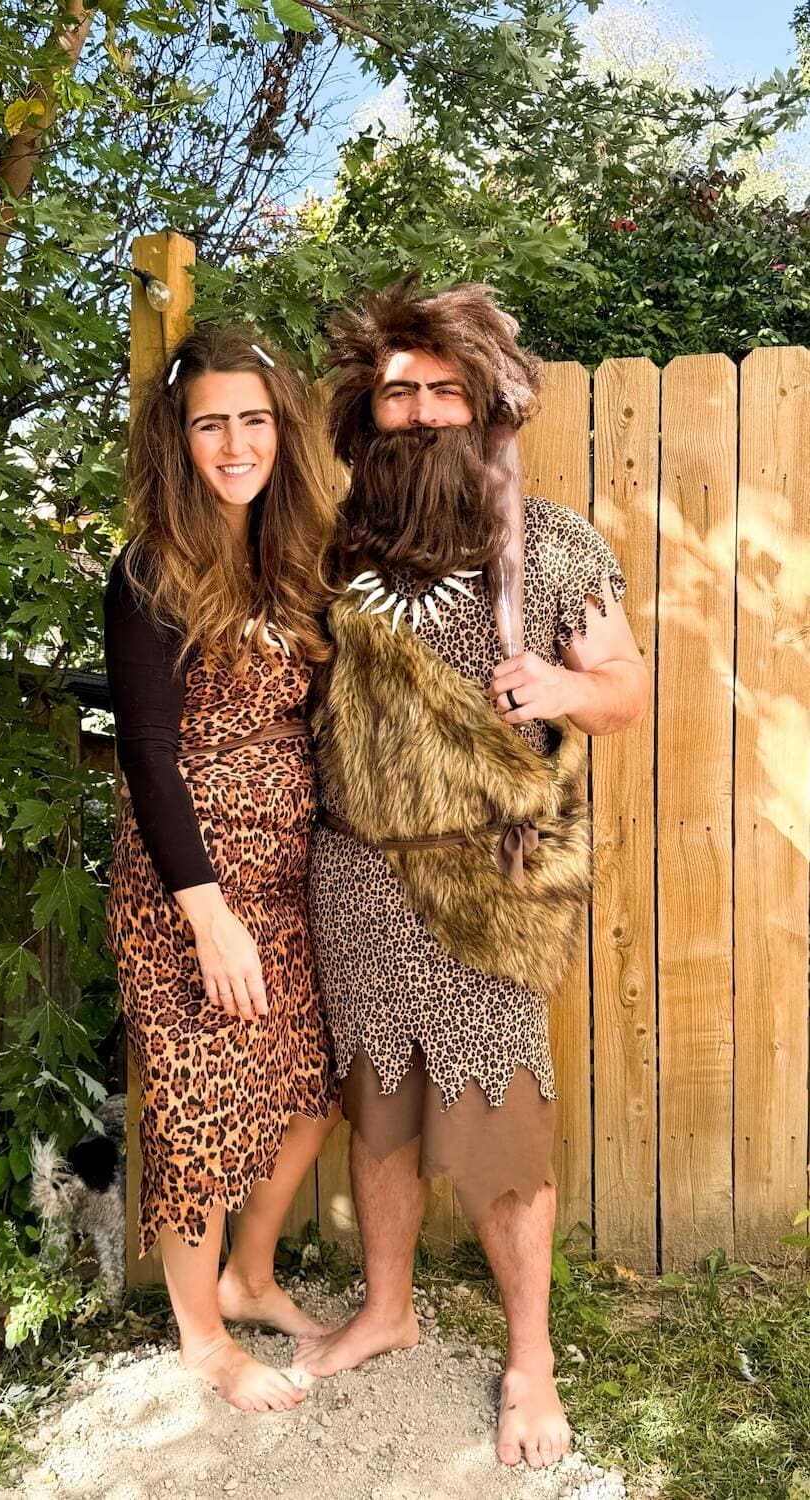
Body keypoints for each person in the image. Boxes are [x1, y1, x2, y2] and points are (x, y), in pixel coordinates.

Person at [295, 274, 649, 1469]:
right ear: (366, 411)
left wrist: (560, 685)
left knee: (499, 1134)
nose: (421, 412)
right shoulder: (326, 553)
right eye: (399, 394)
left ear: (484, 403)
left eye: (443, 390)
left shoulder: (549, 545)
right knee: (379, 1115)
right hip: (354, 877)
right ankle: (387, 1312)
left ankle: (529, 1360)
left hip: (488, 883)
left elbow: (626, 690)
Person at [104, 326, 342, 1414]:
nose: (236, 443)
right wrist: (208, 919)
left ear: (281, 431)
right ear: (179, 437)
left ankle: (250, 1277)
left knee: (309, 1090)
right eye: (211, 424)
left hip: (287, 877)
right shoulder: (150, 570)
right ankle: (201, 1336)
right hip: (187, 887)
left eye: (254, 420)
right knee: (198, 1105)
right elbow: (148, 754)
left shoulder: (293, 560)